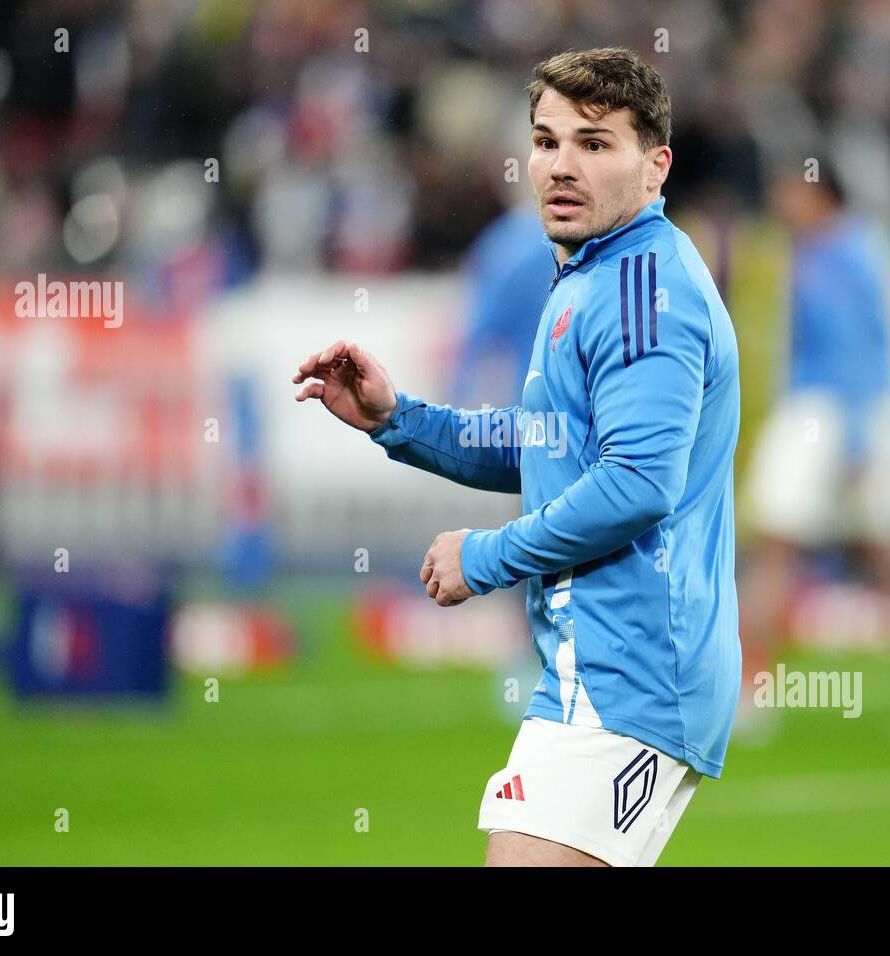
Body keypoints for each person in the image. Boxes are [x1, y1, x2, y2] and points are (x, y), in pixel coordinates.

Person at [294, 47, 741, 867]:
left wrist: (488, 556)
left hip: (628, 672)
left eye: (595, 144)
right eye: (546, 141)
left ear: (655, 166)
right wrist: (399, 421)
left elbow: (639, 484)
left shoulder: (645, 292)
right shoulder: (594, 274)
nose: (561, 166)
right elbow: (551, 447)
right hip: (600, 669)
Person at [738, 159, 890, 745]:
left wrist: (856, 437)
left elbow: (865, 346)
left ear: (820, 192)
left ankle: (750, 691)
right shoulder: (818, 250)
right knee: (866, 550)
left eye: (789, 191)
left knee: (779, 545)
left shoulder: (848, 253)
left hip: (831, 419)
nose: (779, 204)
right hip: (825, 416)